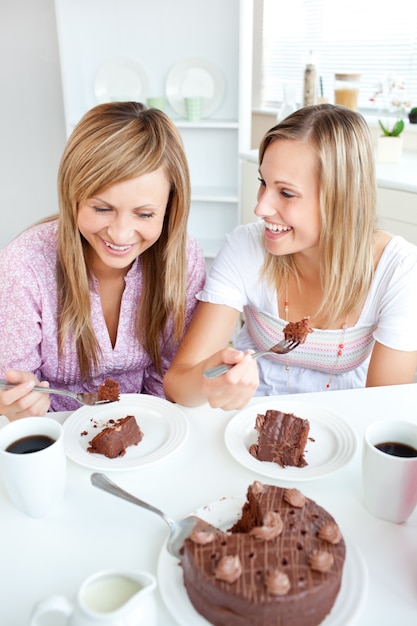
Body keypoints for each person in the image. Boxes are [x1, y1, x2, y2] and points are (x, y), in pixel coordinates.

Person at [164, 103, 417, 410]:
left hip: (347, 419)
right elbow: (177, 384)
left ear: (342, 199)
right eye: (263, 183)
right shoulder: (245, 247)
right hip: (248, 419)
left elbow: (384, 412)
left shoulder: (399, 270)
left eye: (286, 193)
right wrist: (208, 381)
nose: (261, 208)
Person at [0, 101, 206, 420]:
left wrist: (144, 434)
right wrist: (18, 402)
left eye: (145, 214)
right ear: (74, 196)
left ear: (169, 208)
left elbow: (166, 374)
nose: (121, 234)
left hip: (145, 426)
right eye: (102, 209)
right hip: (53, 430)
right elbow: (11, 388)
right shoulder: (24, 264)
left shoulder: (183, 259)